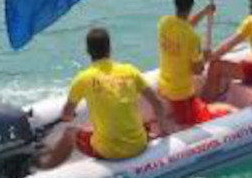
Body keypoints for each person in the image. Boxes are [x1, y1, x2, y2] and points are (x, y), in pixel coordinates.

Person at [39, 28, 171, 169]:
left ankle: (47, 167)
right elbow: (157, 103)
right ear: (110, 48)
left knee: (70, 133)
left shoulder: (83, 78)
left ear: (88, 51)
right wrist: (164, 132)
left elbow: (67, 114)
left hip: (109, 152)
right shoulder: (130, 71)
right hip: (139, 145)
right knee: (141, 123)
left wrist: (68, 116)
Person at [158, 0, 236, 130]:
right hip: (180, 93)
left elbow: (184, 25)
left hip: (164, 85)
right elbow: (197, 70)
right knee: (219, 114)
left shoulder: (164, 23)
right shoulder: (192, 38)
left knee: (204, 109)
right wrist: (205, 57)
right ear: (192, 3)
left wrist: (205, 12)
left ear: (174, 1)